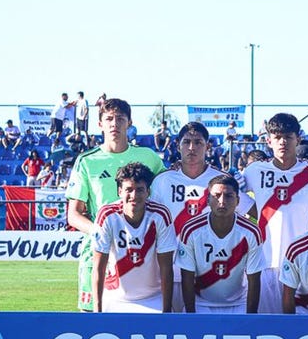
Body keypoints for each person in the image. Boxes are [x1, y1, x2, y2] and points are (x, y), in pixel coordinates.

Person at [66, 98, 166, 312]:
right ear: (100, 124)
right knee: (93, 319)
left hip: (143, 254)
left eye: (120, 119)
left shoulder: (148, 157)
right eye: (109, 119)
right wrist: (100, 232)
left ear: (129, 123)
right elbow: (73, 215)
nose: (114, 124)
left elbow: (170, 190)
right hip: (98, 254)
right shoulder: (87, 161)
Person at [149, 121, 255, 311]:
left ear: (207, 146)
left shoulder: (220, 180)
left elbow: (252, 212)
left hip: (208, 273)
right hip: (168, 272)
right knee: (170, 332)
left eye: (198, 142)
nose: (192, 147)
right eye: (186, 142)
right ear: (177, 145)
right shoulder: (163, 181)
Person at [242, 112, 308, 313]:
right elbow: (227, 192)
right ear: (268, 141)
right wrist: (253, 210)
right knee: (266, 329)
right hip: (265, 263)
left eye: (288, 137)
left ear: (298, 138)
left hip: (304, 264)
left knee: (302, 330)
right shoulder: (254, 171)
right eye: (277, 137)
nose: (283, 142)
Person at [91, 162, 176, 313]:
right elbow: (98, 267)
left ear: (148, 192)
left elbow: (166, 267)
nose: (134, 196)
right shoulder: (107, 216)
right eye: (128, 190)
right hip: (115, 298)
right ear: (119, 191)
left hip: (153, 299)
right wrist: (97, 311)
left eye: (140, 190)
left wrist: (167, 310)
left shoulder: (160, 215)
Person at [176, 175, 265, 314]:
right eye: (216, 196)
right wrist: (191, 316)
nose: (222, 201)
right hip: (201, 304)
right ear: (208, 200)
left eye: (228, 196)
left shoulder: (251, 232)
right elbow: (187, 276)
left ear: (238, 201)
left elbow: (254, 279)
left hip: (238, 303)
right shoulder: (191, 230)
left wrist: (250, 320)